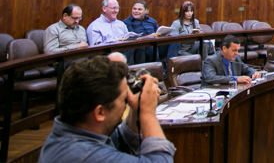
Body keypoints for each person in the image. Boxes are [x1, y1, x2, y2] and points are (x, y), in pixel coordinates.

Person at [38, 55, 175, 163]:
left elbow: (122, 138)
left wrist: (136, 109)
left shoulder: (75, 132)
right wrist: (147, 113)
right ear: (100, 112)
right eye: (124, 99)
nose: (127, 102)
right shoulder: (84, 154)